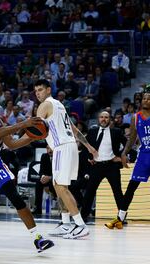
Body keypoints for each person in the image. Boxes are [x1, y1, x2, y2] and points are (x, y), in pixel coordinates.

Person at [0, 87, 54, 252]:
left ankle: (37, 239)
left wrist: (32, 137)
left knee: (15, 197)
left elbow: (12, 144)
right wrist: (24, 124)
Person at [35, 79, 98, 239]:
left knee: (61, 187)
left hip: (62, 147)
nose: (38, 93)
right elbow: (73, 127)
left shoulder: (45, 105)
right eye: (36, 90)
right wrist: (89, 147)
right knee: (59, 187)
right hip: (69, 146)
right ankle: (66, 223)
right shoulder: (59, 105)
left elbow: (34, 126)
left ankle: (80, 224)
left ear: (49, 90)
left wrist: (13, 140)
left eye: (40, 90)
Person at [105, 88, 150, 229]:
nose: (146, 100)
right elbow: (132, 138)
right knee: (131, 187)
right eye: (144, 98)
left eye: (149, 98)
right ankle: (120, 217)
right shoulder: (136, 117)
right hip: (144, 155)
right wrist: (124, 152)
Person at [80, 111, 127, 222]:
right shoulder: (92, 131)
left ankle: (122, 217)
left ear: (110, 119)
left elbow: (127, 144)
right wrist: (89, 158)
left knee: (117, 192)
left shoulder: (116, 132)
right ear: (98, 119)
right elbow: (84, 146)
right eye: (101, 117)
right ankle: (83, 216)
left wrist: (121, 157)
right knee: (90, 191)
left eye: (106, 117)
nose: (103, 119)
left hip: (112, 166)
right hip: (97, 166)